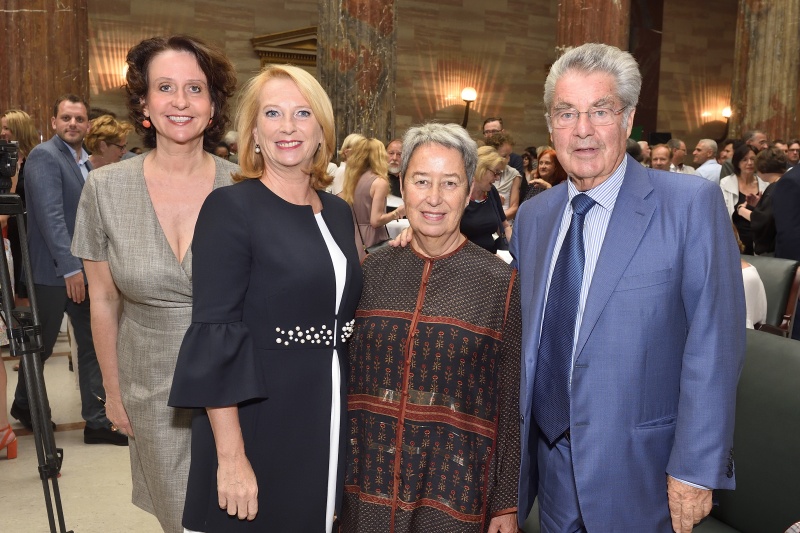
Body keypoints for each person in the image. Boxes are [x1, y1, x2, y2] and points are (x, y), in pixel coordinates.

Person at [512, 43, 745, 533]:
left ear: (628, 117)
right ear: (550, 124)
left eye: (600, 110)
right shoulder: (534, 217)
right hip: (551, 471)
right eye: (567, 112)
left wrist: (695, 470)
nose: (582, 129)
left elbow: (715, 345)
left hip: (643, 476)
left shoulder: (689, 205)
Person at [168, 63, 363, 533]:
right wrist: (231, 459)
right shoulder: (230, 209)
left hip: (327, 414)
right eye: (272, 113)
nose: (288, 127)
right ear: (253, 131)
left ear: (322, 130)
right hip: (260, 420)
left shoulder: (337, 212)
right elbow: (216, 336)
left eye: (302, 113)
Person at [72, 35, 238, 532]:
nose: (181, 101)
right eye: (165, 87)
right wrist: (113, 390)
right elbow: (101, 298)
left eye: (195, 88)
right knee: (182, 519)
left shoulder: (245, 186)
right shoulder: (103, 188)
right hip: (151, 386)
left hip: (238, 384)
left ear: (213, 106)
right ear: (143, 102)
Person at [341, 122, 521, 533]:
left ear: (470, 189)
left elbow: (512, 402)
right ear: (402, 185)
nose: (435, 198)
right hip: (367, 489)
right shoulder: (371, 270)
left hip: (455, 492)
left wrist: (506, 504)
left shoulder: (501, 284)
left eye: (450, 183)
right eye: (422, 181)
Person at [10, 94, 124, 445]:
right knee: (40, 348)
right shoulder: (46, 156)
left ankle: (98, 422)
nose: (73, 124)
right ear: (55, 122)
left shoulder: (82, 162)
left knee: (93, 344)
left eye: (79, 119)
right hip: (52, 273)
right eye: (66, 118)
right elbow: (51, 218)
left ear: (88, 125)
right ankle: (27, 406)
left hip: (81, 273)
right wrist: (71, 269)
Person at [340, 137, 405, 261]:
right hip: (371, 239)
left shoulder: (352, 179)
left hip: (352, 236)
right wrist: (397, 212)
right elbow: (375, 221)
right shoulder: (379, 182)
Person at [1, 109, 39, 301]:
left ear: (19, 129)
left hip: (27, 227)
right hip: (9, 227)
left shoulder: (37, 158)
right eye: (1, 128)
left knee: (24, 288)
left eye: (6, 128)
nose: (2, 132)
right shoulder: (3, 160)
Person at [735, 146, 788, 255]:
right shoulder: (786, 184)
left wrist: (741, 210)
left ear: (762, 168)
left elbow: (763, 220)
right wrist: (760, 205)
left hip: (775, 249)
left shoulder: (774, 188)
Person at [460, 145, 511, 252]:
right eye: (495, 172)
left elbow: (505, 226)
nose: (497, 178)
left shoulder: (491, 192)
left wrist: (515, 250)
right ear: (481, 169)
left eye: (499, 173)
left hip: (492, 257)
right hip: (464, 260)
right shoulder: (460, 193)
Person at [720, 144, 768, 255]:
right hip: (735, 240)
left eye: (753, 159)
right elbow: (724, 213)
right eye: (744, 159)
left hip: (760, 240)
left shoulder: (764, 183)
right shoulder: (726, 183)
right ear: (737, 162)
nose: (750, 163)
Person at [485, 132, 522, 220]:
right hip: (483, 220)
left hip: (504, 221)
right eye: (504, 156)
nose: (508, 160)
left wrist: (496, 219)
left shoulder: (513, 174)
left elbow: (514, 208)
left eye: (509, 155)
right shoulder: (482, 173)